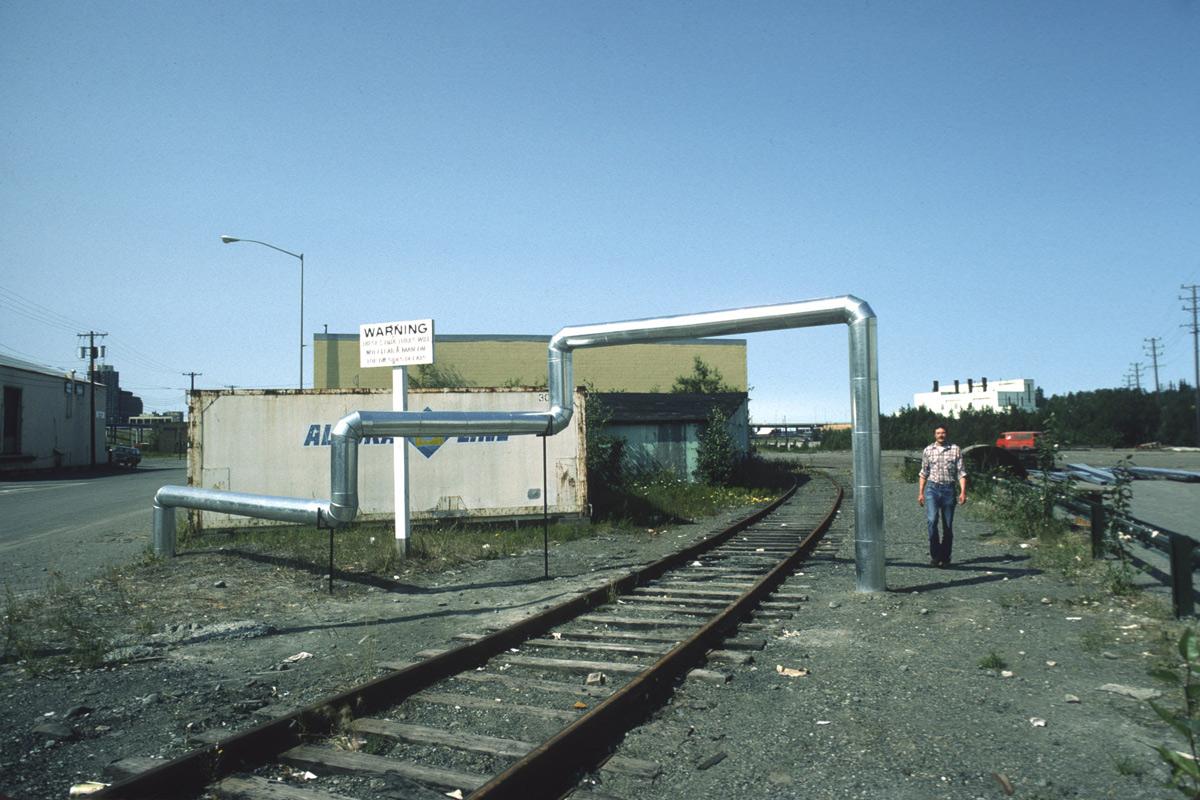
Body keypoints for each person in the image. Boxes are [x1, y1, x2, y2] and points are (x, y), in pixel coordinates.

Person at [917, 425, 966, 567]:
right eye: (938, 433)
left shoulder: (955, 449)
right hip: (932, 489)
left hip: (949, 490)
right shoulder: (928, 450)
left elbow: (961, 472)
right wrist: (921, 492)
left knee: (948, 525)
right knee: (932, 521)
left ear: (947, 434)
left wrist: (963, 491)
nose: (941, 435)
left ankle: (945, 557)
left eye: (943, 433)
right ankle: (935, 555)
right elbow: (923, 472)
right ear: (934, 435)